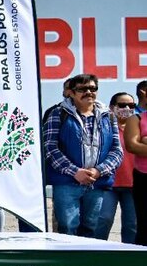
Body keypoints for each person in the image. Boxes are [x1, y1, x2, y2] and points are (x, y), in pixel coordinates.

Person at [42, 74, 123, 238]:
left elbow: (117, 151)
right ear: (71, 93)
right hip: (66, 183)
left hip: (96, 182)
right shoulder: (58, 113)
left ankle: (87, 264)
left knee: (90, 228)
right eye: (82, 89)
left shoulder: (108, 116)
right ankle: (67, 264)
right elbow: (50, 148)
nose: (88, 92)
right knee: (67, 228)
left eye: (92, 88)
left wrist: (99, 171)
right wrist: (75, 172)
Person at [94, 92, 137, 242]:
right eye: (122, 105)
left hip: (133, 184)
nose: (126, 108)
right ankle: (97, 255)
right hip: (108, 183)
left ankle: (129, 259)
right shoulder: (103, 127)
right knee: (103, 220)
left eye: (131, 105)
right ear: (112, 107)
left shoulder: (138, 127)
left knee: (132, 224)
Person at [121, 104, 147, 245]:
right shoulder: (136, 119)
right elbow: (132, 145)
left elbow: (140, 144)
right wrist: (141, 142)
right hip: (144, 178)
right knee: (144, 224)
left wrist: (144, 141)